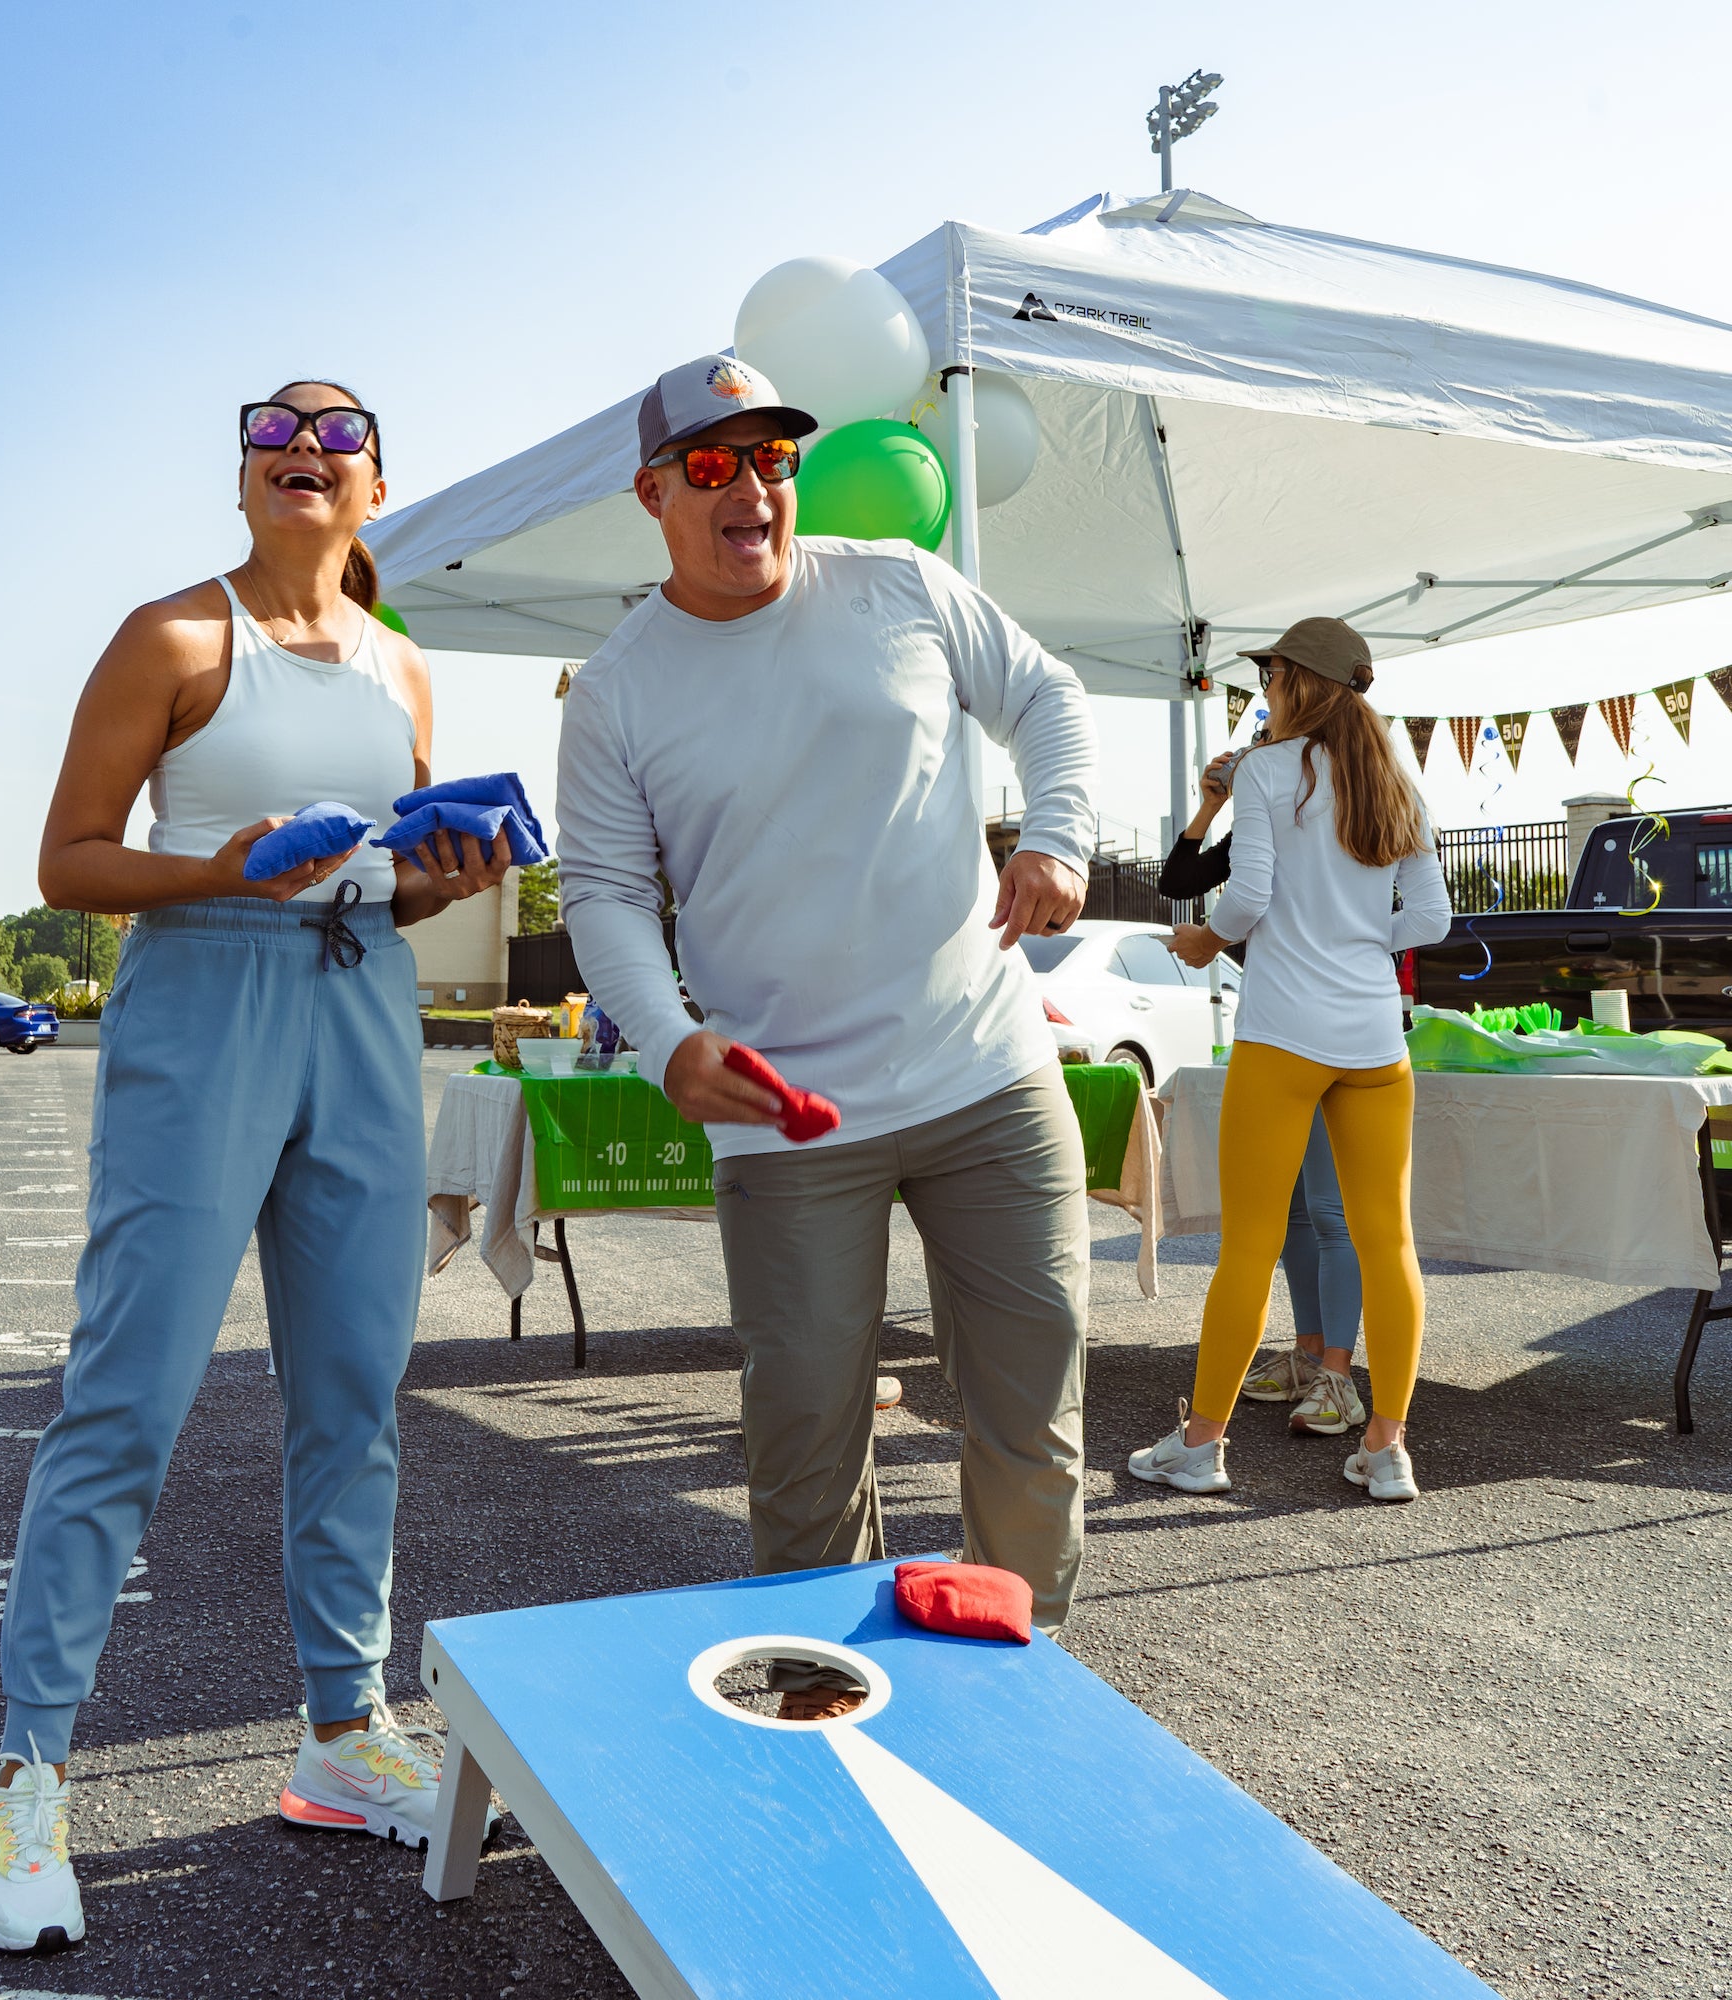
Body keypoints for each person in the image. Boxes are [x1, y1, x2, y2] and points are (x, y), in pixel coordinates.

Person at [0, 380, 511, 1956]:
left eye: (339, 437)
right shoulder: (175, 637)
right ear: (246, 481)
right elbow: (68, 860)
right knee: (127, 1397)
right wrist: (218, 865)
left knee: (353, 1392)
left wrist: (446, 876)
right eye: (278, 435)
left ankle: (342, 1737)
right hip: (203, 994)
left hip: (360, 1007)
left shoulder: (406, 667)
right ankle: (27, 1764)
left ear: (375, 487)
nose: (306, 449)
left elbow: (388, 887)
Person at [556, 355, 1099, 1717]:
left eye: (775, 459)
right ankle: (822, 1714)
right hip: (789, 1111)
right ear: (653, 494)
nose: (753, 486)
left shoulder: (901, 584)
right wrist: (668, 1038)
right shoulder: (620, 687)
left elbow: (1050, 698)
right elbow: (609, 895)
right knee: (804, 1441)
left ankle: (1018, 1703)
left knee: (1030, 1418)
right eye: (714, 463)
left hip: (986, 1071)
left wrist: (1059, 839)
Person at [1127, 617, 1450, 1504]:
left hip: (1283, 1035)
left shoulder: (1270, 771)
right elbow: (1428, 921)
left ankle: (1201, 1447)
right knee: (1390, 1245)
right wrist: (1354, 942)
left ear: (1297, 682)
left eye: (1269, 674)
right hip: (1376, 1043)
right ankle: (1386, 1450)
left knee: (1249, 1248)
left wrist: (1203, 939)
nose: (1263, 688)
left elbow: (1249, 898)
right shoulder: (1396, 778)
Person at [1158, 744, 1369, 1438]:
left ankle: (1339, 1375)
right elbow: (1180, 876)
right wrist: (1213, 803)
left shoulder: (1347, 807)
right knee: (1299, 1217)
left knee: (1333, 1212)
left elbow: (1246, 905)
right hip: (1279, 1023)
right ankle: (1311, 1357)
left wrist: (1214, 938)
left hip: (1336, 1027)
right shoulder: (1260, 810)